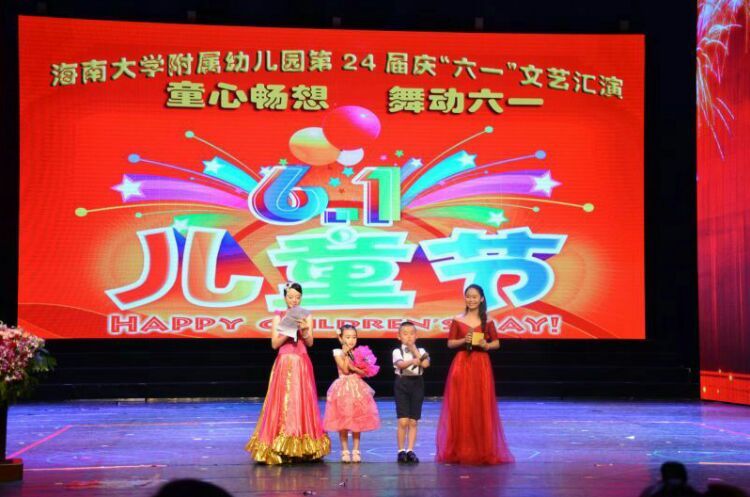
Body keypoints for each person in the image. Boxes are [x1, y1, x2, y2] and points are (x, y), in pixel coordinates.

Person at [245, 282, 330, 464]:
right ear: (285, 297)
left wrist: (304, 330)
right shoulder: (279, 315)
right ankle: (278, 447)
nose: (294, 300)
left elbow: (310, 343)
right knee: (282, 403)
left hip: (301, 363)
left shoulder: (306, 315)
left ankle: (303, 447)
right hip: (284, 362)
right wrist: (289, 331)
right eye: (290, 297)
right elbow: (274, 344)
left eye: (297, 297)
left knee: (301, 402)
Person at [436, 284, 514, 465]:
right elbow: (450, 343)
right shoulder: (458, 319)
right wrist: (464, 340)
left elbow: (496, 343)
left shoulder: (488, 320)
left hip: (481, 364)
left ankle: (482, 449)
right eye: (468, 296)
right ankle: (460, 449)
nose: (471, 300)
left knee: (480, 405)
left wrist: (486, 345)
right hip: (462, 363)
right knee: (461, 406)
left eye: (474, 297)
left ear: (481, 299)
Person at [322, 324, 380, 463]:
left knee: (356, 419)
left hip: (357, 389)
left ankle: (356, 450)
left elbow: (364, 372)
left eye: (354, 337)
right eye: (348, 337)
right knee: (343, 420)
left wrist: (361, 368)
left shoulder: (358, 352)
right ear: (341, 338)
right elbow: (345, 369)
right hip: (343, 388)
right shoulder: (337, 352)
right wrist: (347, 355)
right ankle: (344, 450)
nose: (351, 340)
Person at [392, 320, 430, 464]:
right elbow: (401, 364)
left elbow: (425, 363)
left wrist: (414, 350)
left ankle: (410, 450)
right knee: (403, 421)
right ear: (399, 336)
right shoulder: (397, 351)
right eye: (405, 334)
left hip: (417, 384)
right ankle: (401, 450)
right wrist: (413, 361)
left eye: (412, 333)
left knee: (413, 421)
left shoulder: (421, 351)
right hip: (402, 383)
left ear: (416, 336)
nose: (408, 336)